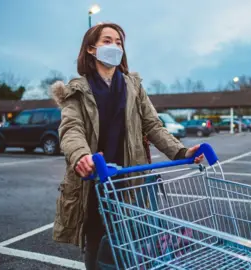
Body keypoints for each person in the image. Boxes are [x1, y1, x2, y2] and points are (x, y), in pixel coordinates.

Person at [50, 22, 204, 269]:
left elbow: (153, 125)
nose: (115, 46)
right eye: (107, 41)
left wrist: (181, 151)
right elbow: (71, 129)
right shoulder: (77, 90)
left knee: (132, 243)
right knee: (97, 244)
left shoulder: (133, 86)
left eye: (119, 42)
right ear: (91, 49)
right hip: (96, 179)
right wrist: (81, 156)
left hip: (129, 178)